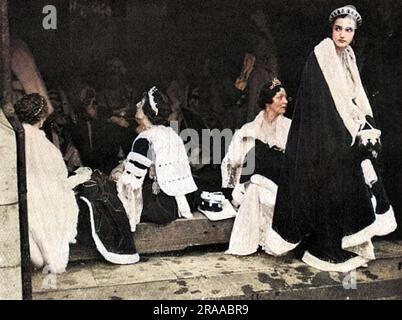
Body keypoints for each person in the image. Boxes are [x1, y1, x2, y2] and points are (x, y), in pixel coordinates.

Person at [266, 5, 397, 272]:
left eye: (348, 30)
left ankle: (339, 245)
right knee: (329, 187)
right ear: (332, 29)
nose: (342, 34)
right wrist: (344, 133)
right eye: (338, 29)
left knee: (352, 185)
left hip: (340, 135)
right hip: (320, 137)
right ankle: (322, 250)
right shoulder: (322, 55)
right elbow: (321, 103)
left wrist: (364, 125)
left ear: (354, 33)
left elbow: (353, 97)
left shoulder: (347, 56)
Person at [14, 93, 92, 274]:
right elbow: (60, 180)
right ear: (41, 119)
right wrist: (81, 177)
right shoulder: (46, 147)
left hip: (24, 198)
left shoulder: (15, 137)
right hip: (41, 202)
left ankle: (36, 253)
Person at [222, 79, 291, 255]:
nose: (285, 101)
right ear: (268, 101)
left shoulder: (290, 128)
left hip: (282, 184)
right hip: (255, 183)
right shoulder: (249, 129)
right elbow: (234, 160)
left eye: (286, 97)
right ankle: (252, 240)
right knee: (254, 184)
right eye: (280, 97)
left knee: (257, 177)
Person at [115, 87, 197, 232]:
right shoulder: (170, 133)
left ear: (147, 112)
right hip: (173, 204)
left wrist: (117, 176)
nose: (136, 106)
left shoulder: (146, 138)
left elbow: (131, 182)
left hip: (157, 207)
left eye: (140, 104)